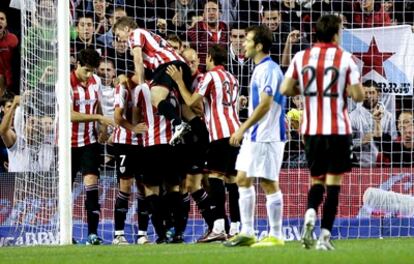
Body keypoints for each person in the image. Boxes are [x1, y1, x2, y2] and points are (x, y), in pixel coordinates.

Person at [280, 15, 364, 250]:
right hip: (338, 129)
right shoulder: (345, 58)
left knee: (316, 180)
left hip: (312, 129)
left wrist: (307, 88)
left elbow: (286, 89)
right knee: (334, 183)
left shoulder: (301, 57)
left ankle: (309, 214)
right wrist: (347, 89)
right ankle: (324, 236)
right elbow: (358, 96)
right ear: (336, 34)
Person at [166, 44, 241, 242]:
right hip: (235, 131)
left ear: (209, 58)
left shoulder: (210, 76)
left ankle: (217, 226)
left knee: (215, 178)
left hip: (219, 134)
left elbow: (191, 102)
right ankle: (235, 227)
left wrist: (179, 82)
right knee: (232, 180)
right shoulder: (233, 78)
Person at [222, 25, 286, 248]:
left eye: (247, 40)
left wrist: (242, 128)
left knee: (268, 182)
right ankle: (247, 231)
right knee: (242, 178)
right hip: (255, 136)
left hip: (267, 136)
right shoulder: (259, 68)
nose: (243, 44)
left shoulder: (269, 69)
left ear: (259, 46)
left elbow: (266, 105)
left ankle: (276, 235)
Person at [113, 16, 192, 145]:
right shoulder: (149, 37)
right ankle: (199, 137)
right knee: (185, 109)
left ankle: (178, 124)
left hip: (169, 65)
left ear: (127, 29)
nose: (119, 39)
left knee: (154, 97)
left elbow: (137, 60)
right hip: (181, 67)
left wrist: (141, 83)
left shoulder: (135, 33)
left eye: (118, 34)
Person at [70, 48, 114, 245]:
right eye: (86, 71)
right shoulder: (65, 84)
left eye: (92, 71)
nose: (89, 75)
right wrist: (98, 118)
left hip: (89, 141)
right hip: (66, 145)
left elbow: (98, 106)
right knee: (65, 189)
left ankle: (92, 234)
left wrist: (103, 127)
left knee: (91, 186)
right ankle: (64, 233)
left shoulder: (95, 81)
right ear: (77, 64)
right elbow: (70, 115)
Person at [111, 78, 148, 245]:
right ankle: (118, 234)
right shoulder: (122, 89)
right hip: (125, 144)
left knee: (143, 187)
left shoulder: (147, 86)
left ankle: (142, 234)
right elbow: (117, 117)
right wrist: (133, 128)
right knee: (125, 186)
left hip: (144, 143)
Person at [349, 80, 397, 167]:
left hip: (383, 166)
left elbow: (394, 142)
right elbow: (345, 144)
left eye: (372, 92)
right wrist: (361, 141)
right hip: (359, 167)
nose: (368, 96)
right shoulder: (352, 116)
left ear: (379, 94)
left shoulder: (389, 117)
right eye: (365, 93)